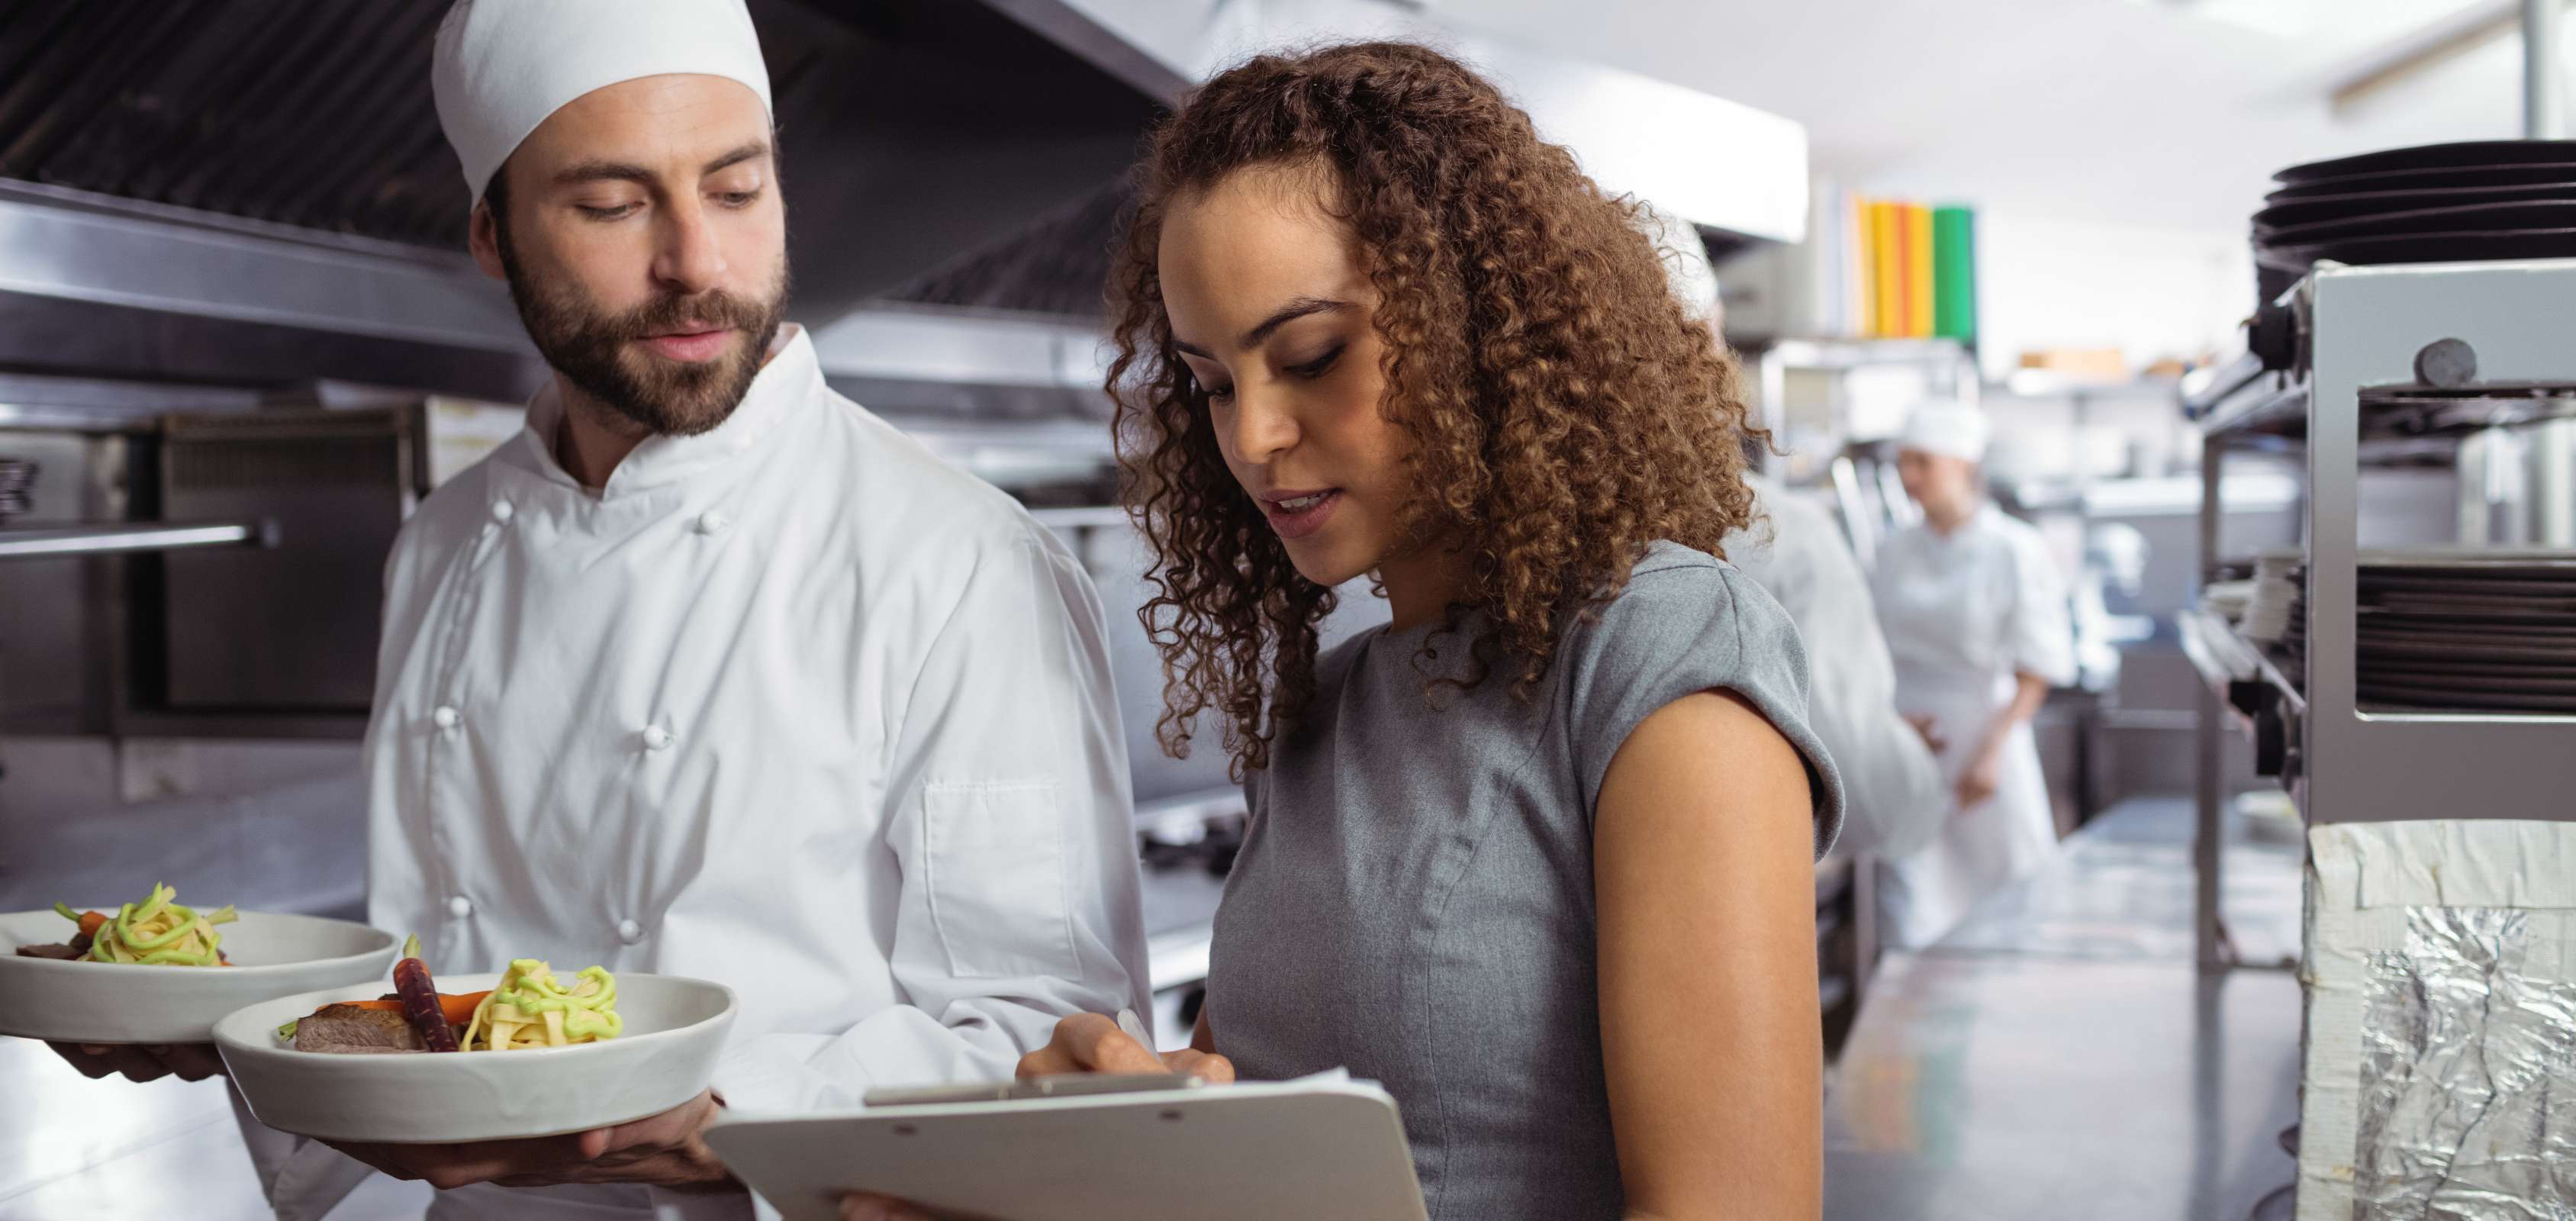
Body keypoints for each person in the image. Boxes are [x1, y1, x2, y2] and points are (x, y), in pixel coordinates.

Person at [53, 3, 1148, 1218]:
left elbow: (1054, 1043)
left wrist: (714, 1120)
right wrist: (236, 1034)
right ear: (491, 232)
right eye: (614, 206)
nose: (696, 263)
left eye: (736, 191)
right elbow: (433, 991)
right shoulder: (444, 543)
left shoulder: (956, 561)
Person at [929, 42, 1845, 1221]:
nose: (1253, 435)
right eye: (1211, 382)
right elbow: (1264, 1139)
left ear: (1477, 324)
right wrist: (1108, 1143)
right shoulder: (1328, 708)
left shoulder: (1654, 648)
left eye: (1311, 356)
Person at [1868, 400, 2075, 949]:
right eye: (1903, 464)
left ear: (1963, 465)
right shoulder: (1893, 552)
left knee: (2004, 899)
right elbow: (1872, 650)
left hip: (1987, 736)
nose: (1909, 478)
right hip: (1911, 737)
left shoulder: (2014, 549)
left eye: (1923, 463)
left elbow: (2038, 663)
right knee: (1912, 905)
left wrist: (1992, 751)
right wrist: (1891, 722)